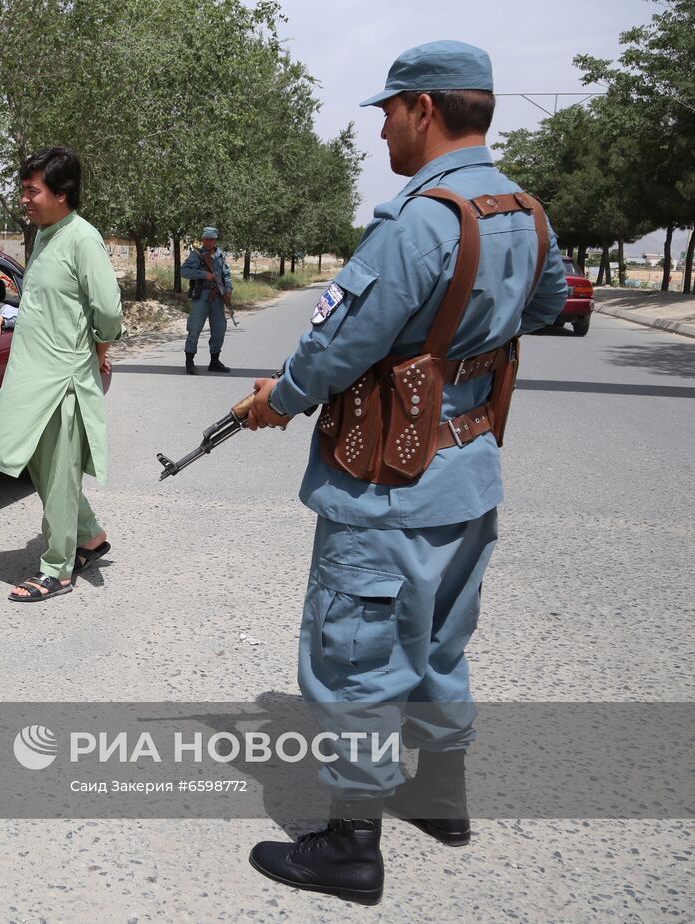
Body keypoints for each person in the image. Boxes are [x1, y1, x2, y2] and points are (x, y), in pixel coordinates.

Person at [241, 41, 568, 904]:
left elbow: (338, 343)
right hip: (470, 471)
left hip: (389, 476)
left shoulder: (418, 220)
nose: (384, 126)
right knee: (438, 644)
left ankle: (351, 847)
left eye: (389, 110)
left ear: (424, 109)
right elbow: (543, 304)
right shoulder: (526, 212)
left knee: (358, 657)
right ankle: (441, 798)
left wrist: (283, 397)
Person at [0, 147, 124, 601]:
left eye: (31, 190)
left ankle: (58, 568)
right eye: (23, 189)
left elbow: (109, 312)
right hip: (31, 376)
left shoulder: (82, 238)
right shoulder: (44, 236)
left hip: (62, 378)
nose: (24, 198)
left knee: (60, 475)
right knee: (40, 469)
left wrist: (98, 352)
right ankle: (89, 536)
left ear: (62, 194)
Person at [179, 226, 233, 374]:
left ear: (215, 240)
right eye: (206, 239)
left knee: (219, 329)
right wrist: (204, 275)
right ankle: (189, 362)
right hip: (202, 296)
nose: (208, 242)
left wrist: (228, 289)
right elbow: (184, 271)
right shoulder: (196, 255)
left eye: (211, 239)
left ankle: (214, 361)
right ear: (202, 239)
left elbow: (226, 274)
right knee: (194, 328)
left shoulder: (221, 256)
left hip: (217, 298)